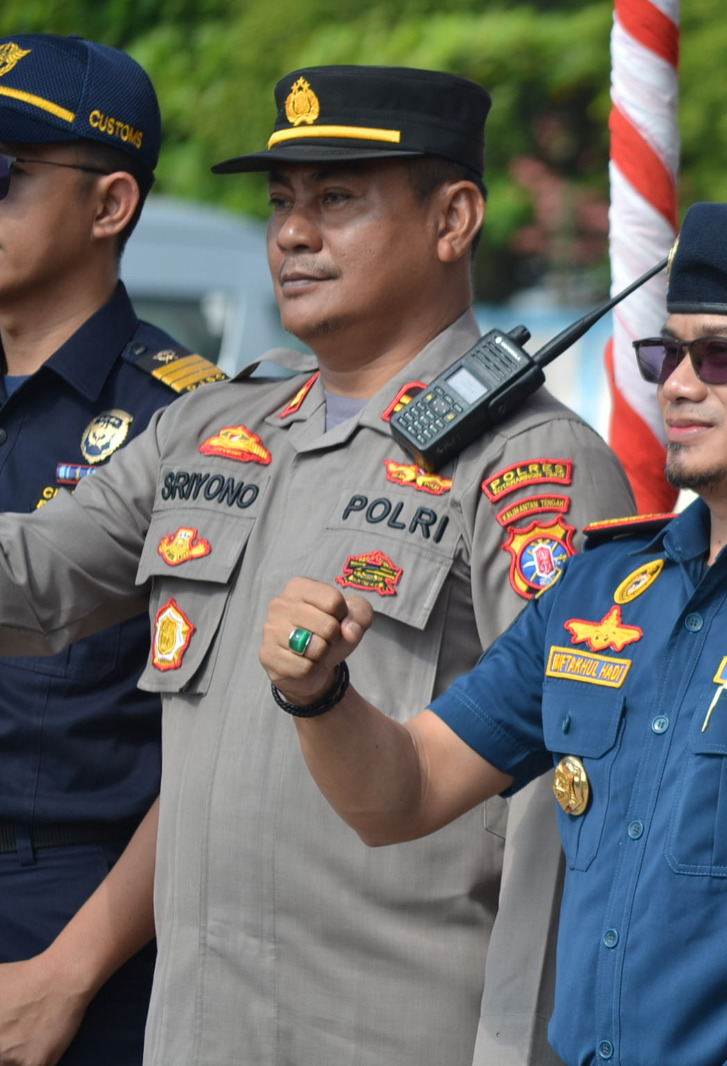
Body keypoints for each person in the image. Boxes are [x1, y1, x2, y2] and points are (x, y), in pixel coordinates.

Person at [0, 65, 634, 1065]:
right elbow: (31, 579)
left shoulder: (532, 462)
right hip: (200, 1031)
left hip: (396, 1033)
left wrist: (521, 1050)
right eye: (281, 201)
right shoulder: (210, 428)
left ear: (454, 218)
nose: (293, 234)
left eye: (337, 198)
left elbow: (567, 806)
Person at [261, 202, 727, 1066]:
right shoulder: (599, 589)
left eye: (720, 357)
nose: (676, 385)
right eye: (667, 355)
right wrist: (317, 692)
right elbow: (400, 795)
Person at [0, 33, 224, 1066]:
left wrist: (70, 970)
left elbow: (216, 748)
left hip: (83, 916)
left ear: (110, 205)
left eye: (5, 175)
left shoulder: (190, 424)